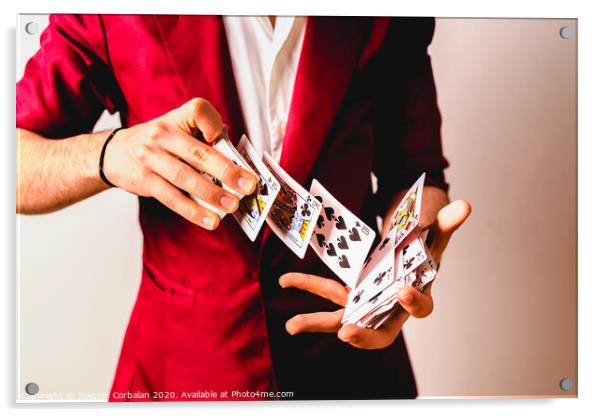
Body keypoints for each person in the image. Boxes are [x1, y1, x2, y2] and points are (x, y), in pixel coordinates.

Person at [16, 14, 471, 400]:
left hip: (351, 362)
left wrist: (404, 267)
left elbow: (417, 176)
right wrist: (110, 154)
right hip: (183, 370)